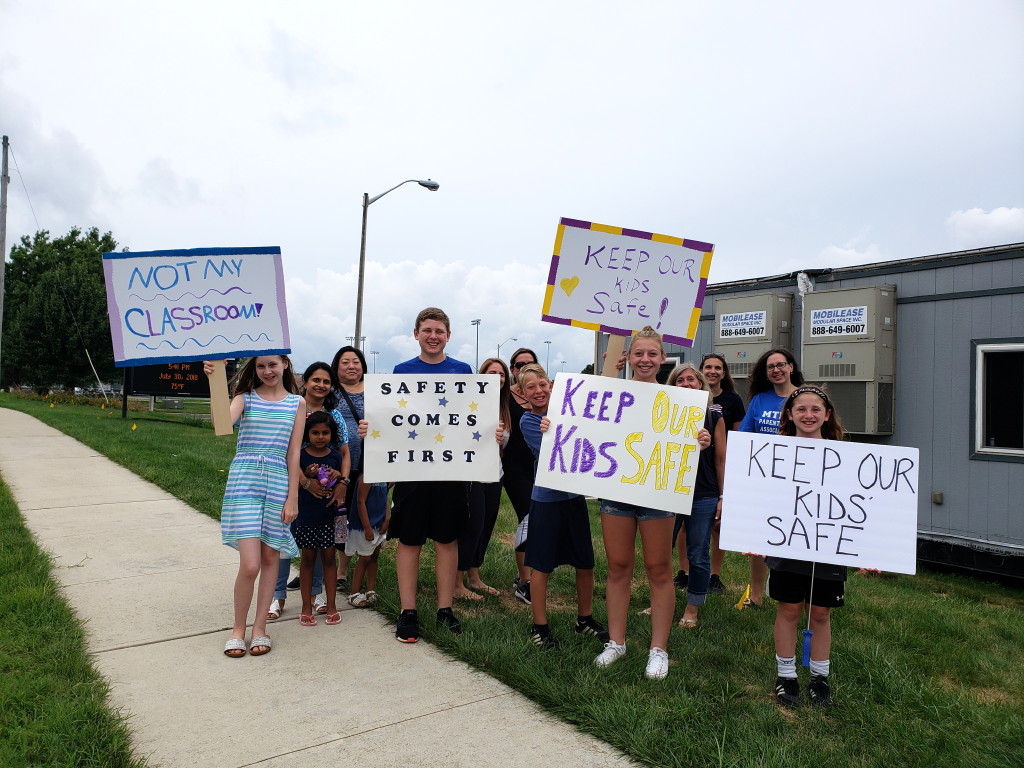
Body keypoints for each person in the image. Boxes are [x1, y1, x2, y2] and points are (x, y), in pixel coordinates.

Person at [596, 327, 710, 679]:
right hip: (616, 491)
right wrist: (556, 426)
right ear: (628, 357)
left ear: (662, 359)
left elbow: (687, 443)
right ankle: (616, 642)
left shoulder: (680, 403)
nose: (645, 360)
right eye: (638, 353)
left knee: (660, 570)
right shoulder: (610, 395)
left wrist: (700, 439)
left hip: (657, 493)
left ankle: (658, 649)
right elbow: (586, 428)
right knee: (617, 567)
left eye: (651, 354)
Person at [359, 307, 472, 643]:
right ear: (416, 333)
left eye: (439, 331)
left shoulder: (463, 371)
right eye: (427, 330)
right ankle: (408, 611)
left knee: (446, 539)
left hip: (451, 471)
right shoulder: (401, 371)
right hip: (412, 470)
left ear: (448, 335)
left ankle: (445, 609)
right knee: (409, 540)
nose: (433, 336)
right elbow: (392, 418)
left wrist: (489, 434)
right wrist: (372, 427)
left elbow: (471, 419)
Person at [205, 355, 305, 658]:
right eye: (261, 366)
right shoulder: (245, 398)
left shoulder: (296, 404)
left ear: (285, 364)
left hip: (277, 483)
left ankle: (260, 627)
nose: (267, 371)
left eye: (273, 365)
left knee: (271, 556)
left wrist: (293, 497)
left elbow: (294, 453)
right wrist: (214, 379)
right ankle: (238, 629)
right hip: (245, 480)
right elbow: (222, 425)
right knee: (250, 564)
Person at [515, 363, 607, 649]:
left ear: (552, 385)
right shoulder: (528, 422)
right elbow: (555, 452)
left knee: (585, 562)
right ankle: (540, 626)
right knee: (541, 566)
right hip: (546, 502)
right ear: (522, 394)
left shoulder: (569, 412)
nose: (538, 391)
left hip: (574, 499)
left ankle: (585, 619)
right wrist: (557, 429)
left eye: (542, 384)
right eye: (531, 387)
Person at [769, 385, 846, 707]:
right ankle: (786, 676)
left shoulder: (844, 457)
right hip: (788, 543)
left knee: (821, 612)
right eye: (801, 409)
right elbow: (762, 501)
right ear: (789, 414)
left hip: (828, 546)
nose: (809, 415)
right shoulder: (774, 453)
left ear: (827, 416)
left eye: (816, 410)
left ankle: (819, 678)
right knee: (788, 609)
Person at [272, 362, 351, 619]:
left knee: (319, 548)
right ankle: (277, 596)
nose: (321, 385)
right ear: (305, 381)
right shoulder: (290, 408)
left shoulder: (334, 416)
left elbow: (344, 454)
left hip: (324, 495)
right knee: (283, 539)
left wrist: (342, 483)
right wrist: (305, 482)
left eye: (326, 382)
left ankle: (316, 595)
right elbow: (284, 451)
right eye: (316, 380)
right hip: (288, 484)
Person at [736, 347, 804, 609]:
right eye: (770, 367)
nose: (776, 370)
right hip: (762, 480)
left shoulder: (803, 396)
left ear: (790, 367)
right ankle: (755, 595)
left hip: (795, 480)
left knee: (791, 537)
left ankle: (790, 596)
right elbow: (744, 437)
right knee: (757, 539)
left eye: (780, 365)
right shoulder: (759, 401)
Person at [666, 363, 726, 628]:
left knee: (698, 552)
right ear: (673, 385)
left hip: (703, 493)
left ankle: (692, 608)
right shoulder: (662, 412)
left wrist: (723, 497)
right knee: (659, 551)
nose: (687, 383)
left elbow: (722, 460)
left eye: (692, 379)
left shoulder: (714, 416)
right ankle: (661, 600)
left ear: (701, 385)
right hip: (667, 490)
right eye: (681, 380)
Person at [455, 357, 511, 600]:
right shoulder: (471, 403)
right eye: (491, 372)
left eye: (501, 374)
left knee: (486, 526)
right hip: (472, 475)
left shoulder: (505, 406)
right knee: (471, 526)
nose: (496, 377)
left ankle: (474, 577)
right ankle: (456, 584)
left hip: (495, 473)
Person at [699, 353, 746, 594]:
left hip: (719, 464)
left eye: (718, 367)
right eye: (708, 367)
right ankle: (684, 571)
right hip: (695, 465)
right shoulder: (690, 395)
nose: (713, 371)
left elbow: (739, 434)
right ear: (701, 370)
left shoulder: (733, 400)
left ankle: (715, 574)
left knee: (718, 524)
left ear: (724, 373)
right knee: (686, 525)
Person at [294, 411, 344, 627]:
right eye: (315, 432)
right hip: (306, 515)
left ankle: (332, 605)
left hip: (329, 516)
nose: (320, 437)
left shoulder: (336, 456)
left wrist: (335, 474)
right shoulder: (301, 455)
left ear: (332, 434)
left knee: (329, 560)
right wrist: (306, 473)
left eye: (325, 433)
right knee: (306, 560)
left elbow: (340, 478)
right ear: (307, 433)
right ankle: (307, 606)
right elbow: (295, 481)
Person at [330, 345, 369, 593]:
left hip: (368, 467)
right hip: (336, 468)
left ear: (363, 366)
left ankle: (353, 569)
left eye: (355, 361)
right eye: (345, 362)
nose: (351, 366)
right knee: (336, 517)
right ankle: (330, 569)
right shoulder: (329, 392)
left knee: (362, 518)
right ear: (337, 367)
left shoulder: (378, 392)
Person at [506, 347, 541, 604]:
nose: (523, 368)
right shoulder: (504, 397)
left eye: (529, 364)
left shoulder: (545, 396)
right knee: (527, 518)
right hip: (515, 470)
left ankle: (537, 577)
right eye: (519, 365)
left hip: (543, 469)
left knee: (539, 522)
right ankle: (524, 580)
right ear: (512, 370)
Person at [346, 476, 391, 607]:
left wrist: (387, 519)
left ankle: (370, 590)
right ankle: (354, 592)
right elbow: (361, 502)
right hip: (365, 527)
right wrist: (367, 527)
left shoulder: (385, 477)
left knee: (374, 557)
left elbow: (385, 499)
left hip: (378, 524)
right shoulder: (366, 478)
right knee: (365, 558)